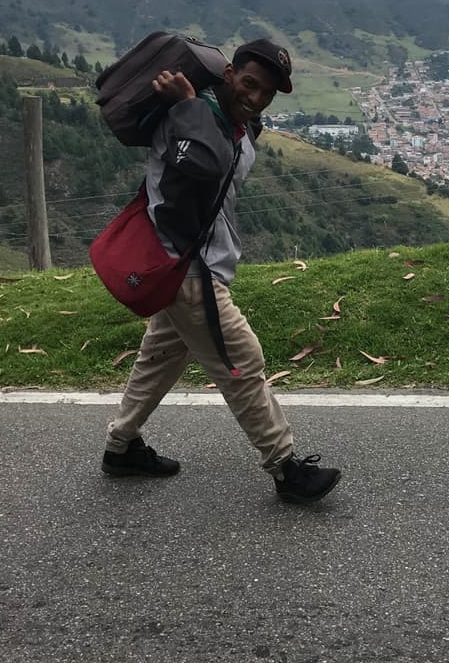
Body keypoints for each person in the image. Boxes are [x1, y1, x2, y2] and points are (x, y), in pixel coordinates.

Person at [101, 38, 342, 503]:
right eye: (249, 84)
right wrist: (189, 105)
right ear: (228, 73)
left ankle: (121, 446)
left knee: (161, 358)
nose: (255, 97)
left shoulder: (233, 121)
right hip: (187, 268)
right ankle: (287, 469)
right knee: (242, 361)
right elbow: (205, 165)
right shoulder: (188, 114)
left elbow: (228, 156)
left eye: (266, 93)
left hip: (190, 265)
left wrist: (242, 121)